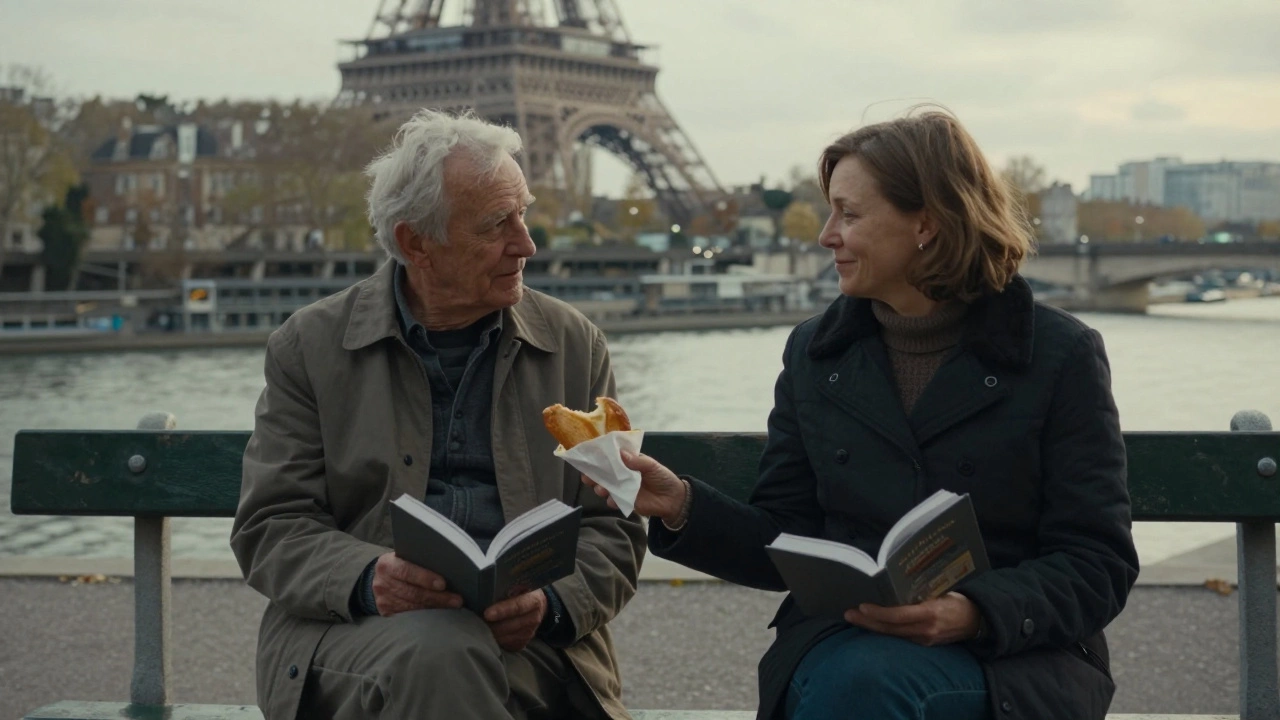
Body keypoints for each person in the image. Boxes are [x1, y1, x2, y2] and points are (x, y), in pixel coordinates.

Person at [583, 109, 1139, 720]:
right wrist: (682, 505)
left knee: (863, 689)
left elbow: (1097, 562)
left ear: (926, 222)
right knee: (856, 683)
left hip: (1014, 656)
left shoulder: (1060, 355)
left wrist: (973, 610)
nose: (826, 235)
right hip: (844, 642)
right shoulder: (815, 353)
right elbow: (784, 539)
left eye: (849, 214)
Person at [231, 109, 645, 720]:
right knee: (441, 653)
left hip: (533, 645)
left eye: (523, 213)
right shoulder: (308, 347)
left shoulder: (576, 345)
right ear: (414, 243)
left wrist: (552, 602)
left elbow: (616, 524)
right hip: (351, 641)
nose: (526, 244)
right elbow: (270, 526)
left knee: (451, 659)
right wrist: (368, 576)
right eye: (495, 225)